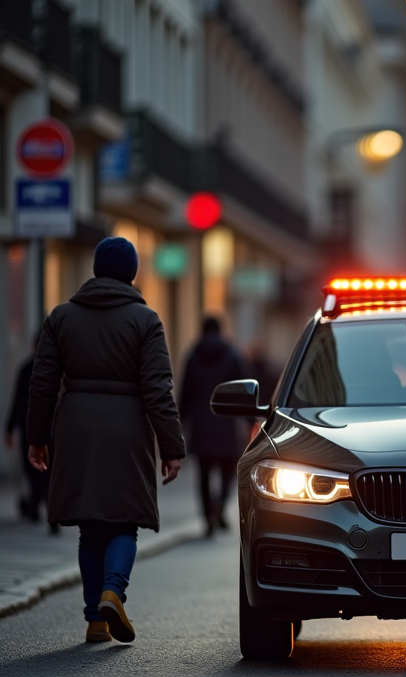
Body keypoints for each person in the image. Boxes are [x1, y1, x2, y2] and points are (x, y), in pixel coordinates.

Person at [27, 236, 185, 644]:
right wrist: (171, 447)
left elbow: (42, 383)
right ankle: (114, 591)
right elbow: (157, 388)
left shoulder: (61, 317)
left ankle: (95, 619)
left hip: (76, 427)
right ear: (132, 273)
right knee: (123, 521)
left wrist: (37, 437)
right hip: (127, 428)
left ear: (95, 270)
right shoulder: (145, 320)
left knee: (89, 525)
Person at [179, 317, 246, 535]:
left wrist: (178, 423)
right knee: (229, 471)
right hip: (226, 422)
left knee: (204, 473)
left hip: (200, 424)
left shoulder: (192, 356)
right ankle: (219, 505)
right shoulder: (232, 355)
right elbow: (244, 388)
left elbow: (185, 393)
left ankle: (208, 516)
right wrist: (251, 419)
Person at [6, 331, 54, 533]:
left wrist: (9, 428)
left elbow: (18, 401)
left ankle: (37, 506)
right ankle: (43, 507)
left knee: (35, 470)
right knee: (46, 472)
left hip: (32, 429)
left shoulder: (28, 369)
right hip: (48, 429)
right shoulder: (52, 369)